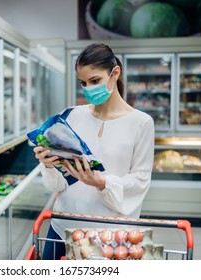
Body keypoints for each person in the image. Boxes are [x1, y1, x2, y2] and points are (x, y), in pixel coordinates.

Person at [33, 43, 155, 259]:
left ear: (114, 73)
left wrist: (102, 183)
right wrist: (49, 164)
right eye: (83, 83)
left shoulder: (141, 123)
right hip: (63, 227)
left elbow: (141, 180)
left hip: (111, 235)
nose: (89, 89)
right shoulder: (70, 116)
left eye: (95, 81)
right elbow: (58, 184)